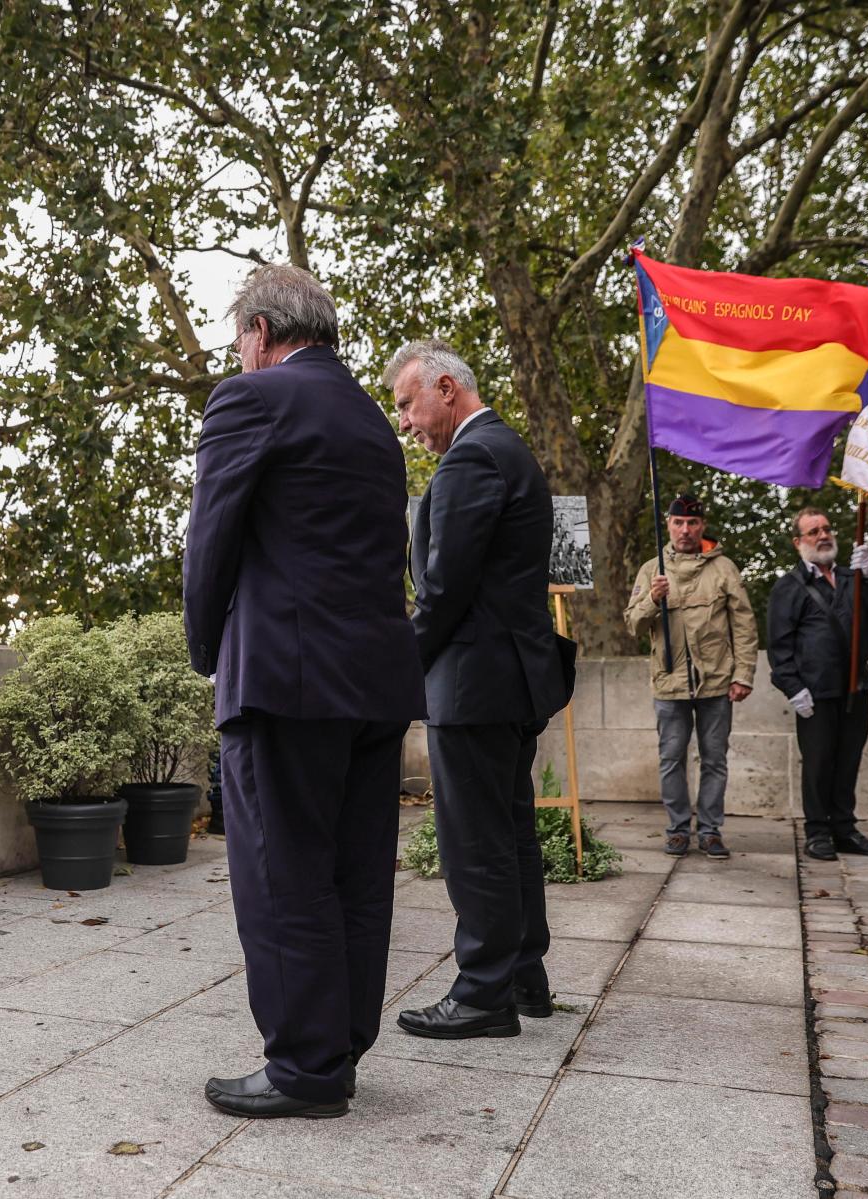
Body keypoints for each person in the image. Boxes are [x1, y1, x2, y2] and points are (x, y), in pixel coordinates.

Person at [184, 265, 427, 1117]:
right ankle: (341, 1047)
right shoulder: (373, 420)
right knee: (357, 874)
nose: (237, 354)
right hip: (374, 679)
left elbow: (211, 538)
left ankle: (304, 1069)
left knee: (282, 871)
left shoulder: (249, 400)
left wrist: (205, 647)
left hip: (284, 678)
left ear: (258, 333)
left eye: (237, 341)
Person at [385, 339, 576, 1041]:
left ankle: (482, 991)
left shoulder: (472, 456)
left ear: (445, 387)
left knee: (475, 840)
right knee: (510, 828)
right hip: (507, 677)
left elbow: (443, 588)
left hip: (475, 680)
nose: (405, 421)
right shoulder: (505, 447)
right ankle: (525, 974)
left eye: (407, 404)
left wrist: (401, 667)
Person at [624, 493, 759, 859]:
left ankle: (711, 831)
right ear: (668, 524)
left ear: (703, 525)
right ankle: (678, 830)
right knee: (671, 758)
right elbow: (633, 624)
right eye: (678, 522)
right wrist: (652, 599)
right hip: (669, 682)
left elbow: (744, 626)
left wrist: (743, 674)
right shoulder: (653, 569)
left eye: (693, 523)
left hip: (716, 681)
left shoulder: (724, 568)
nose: (685, 530)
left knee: (714, 759)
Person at [766, 507, 868, 861]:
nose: (823, 536)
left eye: (826, 529)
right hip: (815, 691)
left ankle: (844, 828)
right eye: (813, 532)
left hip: (855, 686)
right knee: (819, 762)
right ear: (798, 542)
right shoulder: (789, 586)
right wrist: (792, 688)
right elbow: (779, 647)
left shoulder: (854, 577)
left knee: (848, 759)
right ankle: (817, 831)